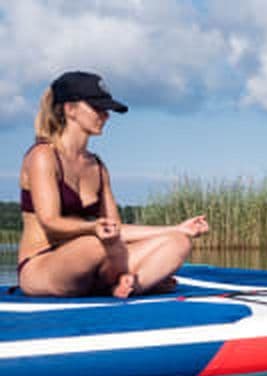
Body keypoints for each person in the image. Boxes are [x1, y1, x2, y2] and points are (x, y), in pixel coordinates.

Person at [17, 71, 208, 298]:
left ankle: (130, 285)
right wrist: (93, 228)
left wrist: (177, 229)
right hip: (43, 265)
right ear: (70, 109)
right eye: (97, 108)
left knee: (178, 243)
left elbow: (115, 229)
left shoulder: (97, 166)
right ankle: (135, 280)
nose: (106, 115)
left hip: (95, 260)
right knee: (96, 245)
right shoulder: (43, 156)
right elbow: (51, 223)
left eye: (106, 110)